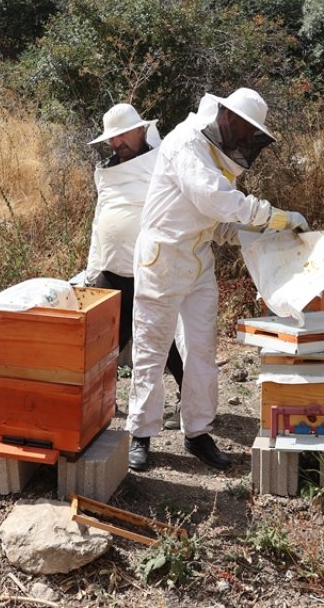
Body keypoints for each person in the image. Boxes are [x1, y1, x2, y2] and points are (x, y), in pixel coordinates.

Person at [126, 87, 308, 472]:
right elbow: (219, 201)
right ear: (226, 118)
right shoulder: (185, 144)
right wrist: (277, 217)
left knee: (202, 353)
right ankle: (140, 434)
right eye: (242, 130)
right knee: (151, 351)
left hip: (197, 263)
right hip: (162, 260)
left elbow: (217, 223)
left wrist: (266, 237)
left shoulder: (215, 154)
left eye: (249, 135)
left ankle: (197, 433)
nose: (243, 140)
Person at [74, 103, 185, 427]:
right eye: (112, 138)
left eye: (122, 135)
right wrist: (91, 268)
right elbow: (100, 218)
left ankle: (188, 404)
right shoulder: (106, 169)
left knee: (163, 341)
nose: (117, 143)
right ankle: (93, 404)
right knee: (105, 342)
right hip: (109, 268)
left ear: (140, 130)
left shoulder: (162, 161)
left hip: (150, 267)